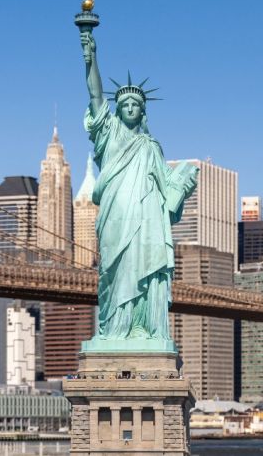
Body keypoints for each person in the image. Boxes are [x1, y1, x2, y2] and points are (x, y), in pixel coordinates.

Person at [80, 29, 197, 342]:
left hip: (146, 219)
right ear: (117, 110)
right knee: (115, 272)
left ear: (142, 111)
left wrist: (185, 182)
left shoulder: (150, 146)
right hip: (116, 215)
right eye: (125, 103)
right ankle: (115, 330)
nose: (130, 107)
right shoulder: (110, 133)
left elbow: (166, 186)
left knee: (144, 267)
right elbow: (94, 95)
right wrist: (90, 59)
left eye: (135, 104)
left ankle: (143, 327)